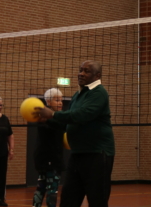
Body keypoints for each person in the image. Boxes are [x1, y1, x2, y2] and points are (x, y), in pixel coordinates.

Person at [36, 60, 115, 207]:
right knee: (68, 199)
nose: (81, 73)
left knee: (97, 200)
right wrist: (46, 120)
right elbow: (68, 124)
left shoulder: (99, 93)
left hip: (97, 154)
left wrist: (53, 115)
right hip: (78, 154)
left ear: (97, 76)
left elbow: (82, 115)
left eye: (86, 71)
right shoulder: (77, 95)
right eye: (80, 70)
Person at [32, 88, 65, 207]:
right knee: (52, 189)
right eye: (57, 100)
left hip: (46, 159)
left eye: (61, 100)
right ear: (48, 102)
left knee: (41, 186)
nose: (60, 102)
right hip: (49, 159)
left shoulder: (57, 117)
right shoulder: (46, 118)